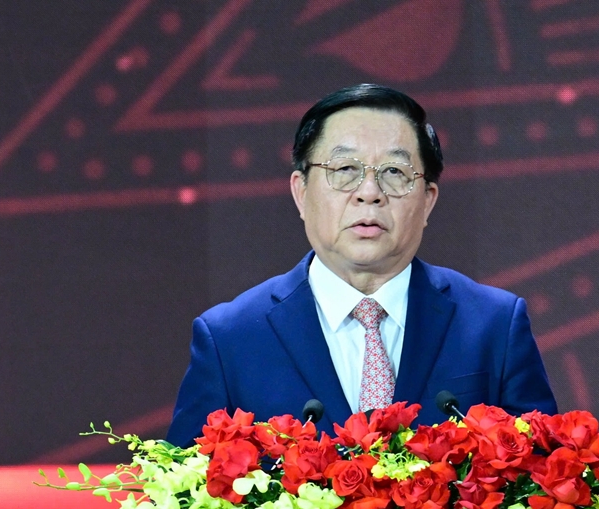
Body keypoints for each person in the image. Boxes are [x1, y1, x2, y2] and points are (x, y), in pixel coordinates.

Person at [166, 84, 557, 447]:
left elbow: (545, 478)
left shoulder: (494, 326)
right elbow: (182, 492)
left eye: (395, 173)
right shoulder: (230, 339)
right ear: (301, 192)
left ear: (428, 200)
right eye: (344, 170)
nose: (369, 193)